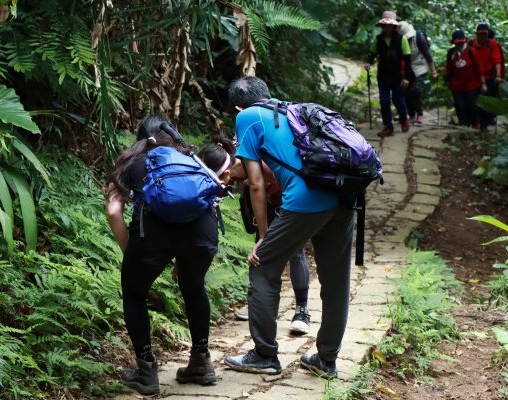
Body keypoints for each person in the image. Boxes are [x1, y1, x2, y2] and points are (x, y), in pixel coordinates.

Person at [223, 76, 356, 379]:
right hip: (343, 197)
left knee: (262, 265)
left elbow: (255, 184)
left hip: (305, 200)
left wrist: (263, 236)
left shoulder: (247, 116)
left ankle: (264, 355)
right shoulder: (293, 110)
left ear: (238, 106)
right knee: (336, 281)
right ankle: (327, 359)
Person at [106, 116, 230, 394]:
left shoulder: (129, 162)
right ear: (172, 137)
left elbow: (114, 212)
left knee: (135, 295)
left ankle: (146, 370)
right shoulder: (190, 158)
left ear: (139, 139)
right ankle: (201, 360)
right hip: (203, 232)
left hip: (153, 235)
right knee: (194, 287)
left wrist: (132, 254)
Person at [198, 139, 312, 335]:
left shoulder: (264, 167)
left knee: (296, 251)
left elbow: (262, 186)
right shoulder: (241, 167)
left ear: (224, 173)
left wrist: (267, 233)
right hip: (269, 203)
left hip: (292, 200)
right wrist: (262, 233)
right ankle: (258, 304)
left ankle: (302, 310)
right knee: (259, 252)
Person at [365, 10, 412, 137]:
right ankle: (388, 126)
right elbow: (372, 53)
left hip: (398, 76)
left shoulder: (402, 40)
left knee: (398, 101)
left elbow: (407, 60)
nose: (387, 27)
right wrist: (368, 62)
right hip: (383, 75)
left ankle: (404, 120)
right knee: (384, 102)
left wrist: (407, 78)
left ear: (394, 26)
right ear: (382, 25)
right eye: (385, 24)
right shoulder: (378, 39)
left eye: (389, 24)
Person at [442, 30, 486, 128]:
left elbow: (479, 68)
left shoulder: (471, 51)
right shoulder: (451, 53)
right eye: (457, 43)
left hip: (472, 85)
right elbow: (449, 67)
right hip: (457, 86)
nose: (459, 45)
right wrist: (445, 72)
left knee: (472, 105)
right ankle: (464, 127)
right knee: (459, 107)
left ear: (464, 41)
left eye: (461, 43)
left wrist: (483, 83)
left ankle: (475, 123)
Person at [397, 21, 437, 124]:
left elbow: (428, 55)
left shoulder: (419, 38)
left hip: (420, 67)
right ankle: (411, 115)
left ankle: (419, 113)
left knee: (416, 91)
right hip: (407, 69)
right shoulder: (398, 40)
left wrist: (433, 71)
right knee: (406, 93)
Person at [469, 23, 502, 132]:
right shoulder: (471, 45)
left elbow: (497, 61)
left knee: (487, 100)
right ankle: (475, 122)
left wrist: (498, 75)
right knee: (473, 101)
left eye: (485, 34)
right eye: (480, 34)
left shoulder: (492, 44)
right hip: (474, 77)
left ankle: (484, 125)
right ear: (477, 35)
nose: (483, 37)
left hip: (488, 77)